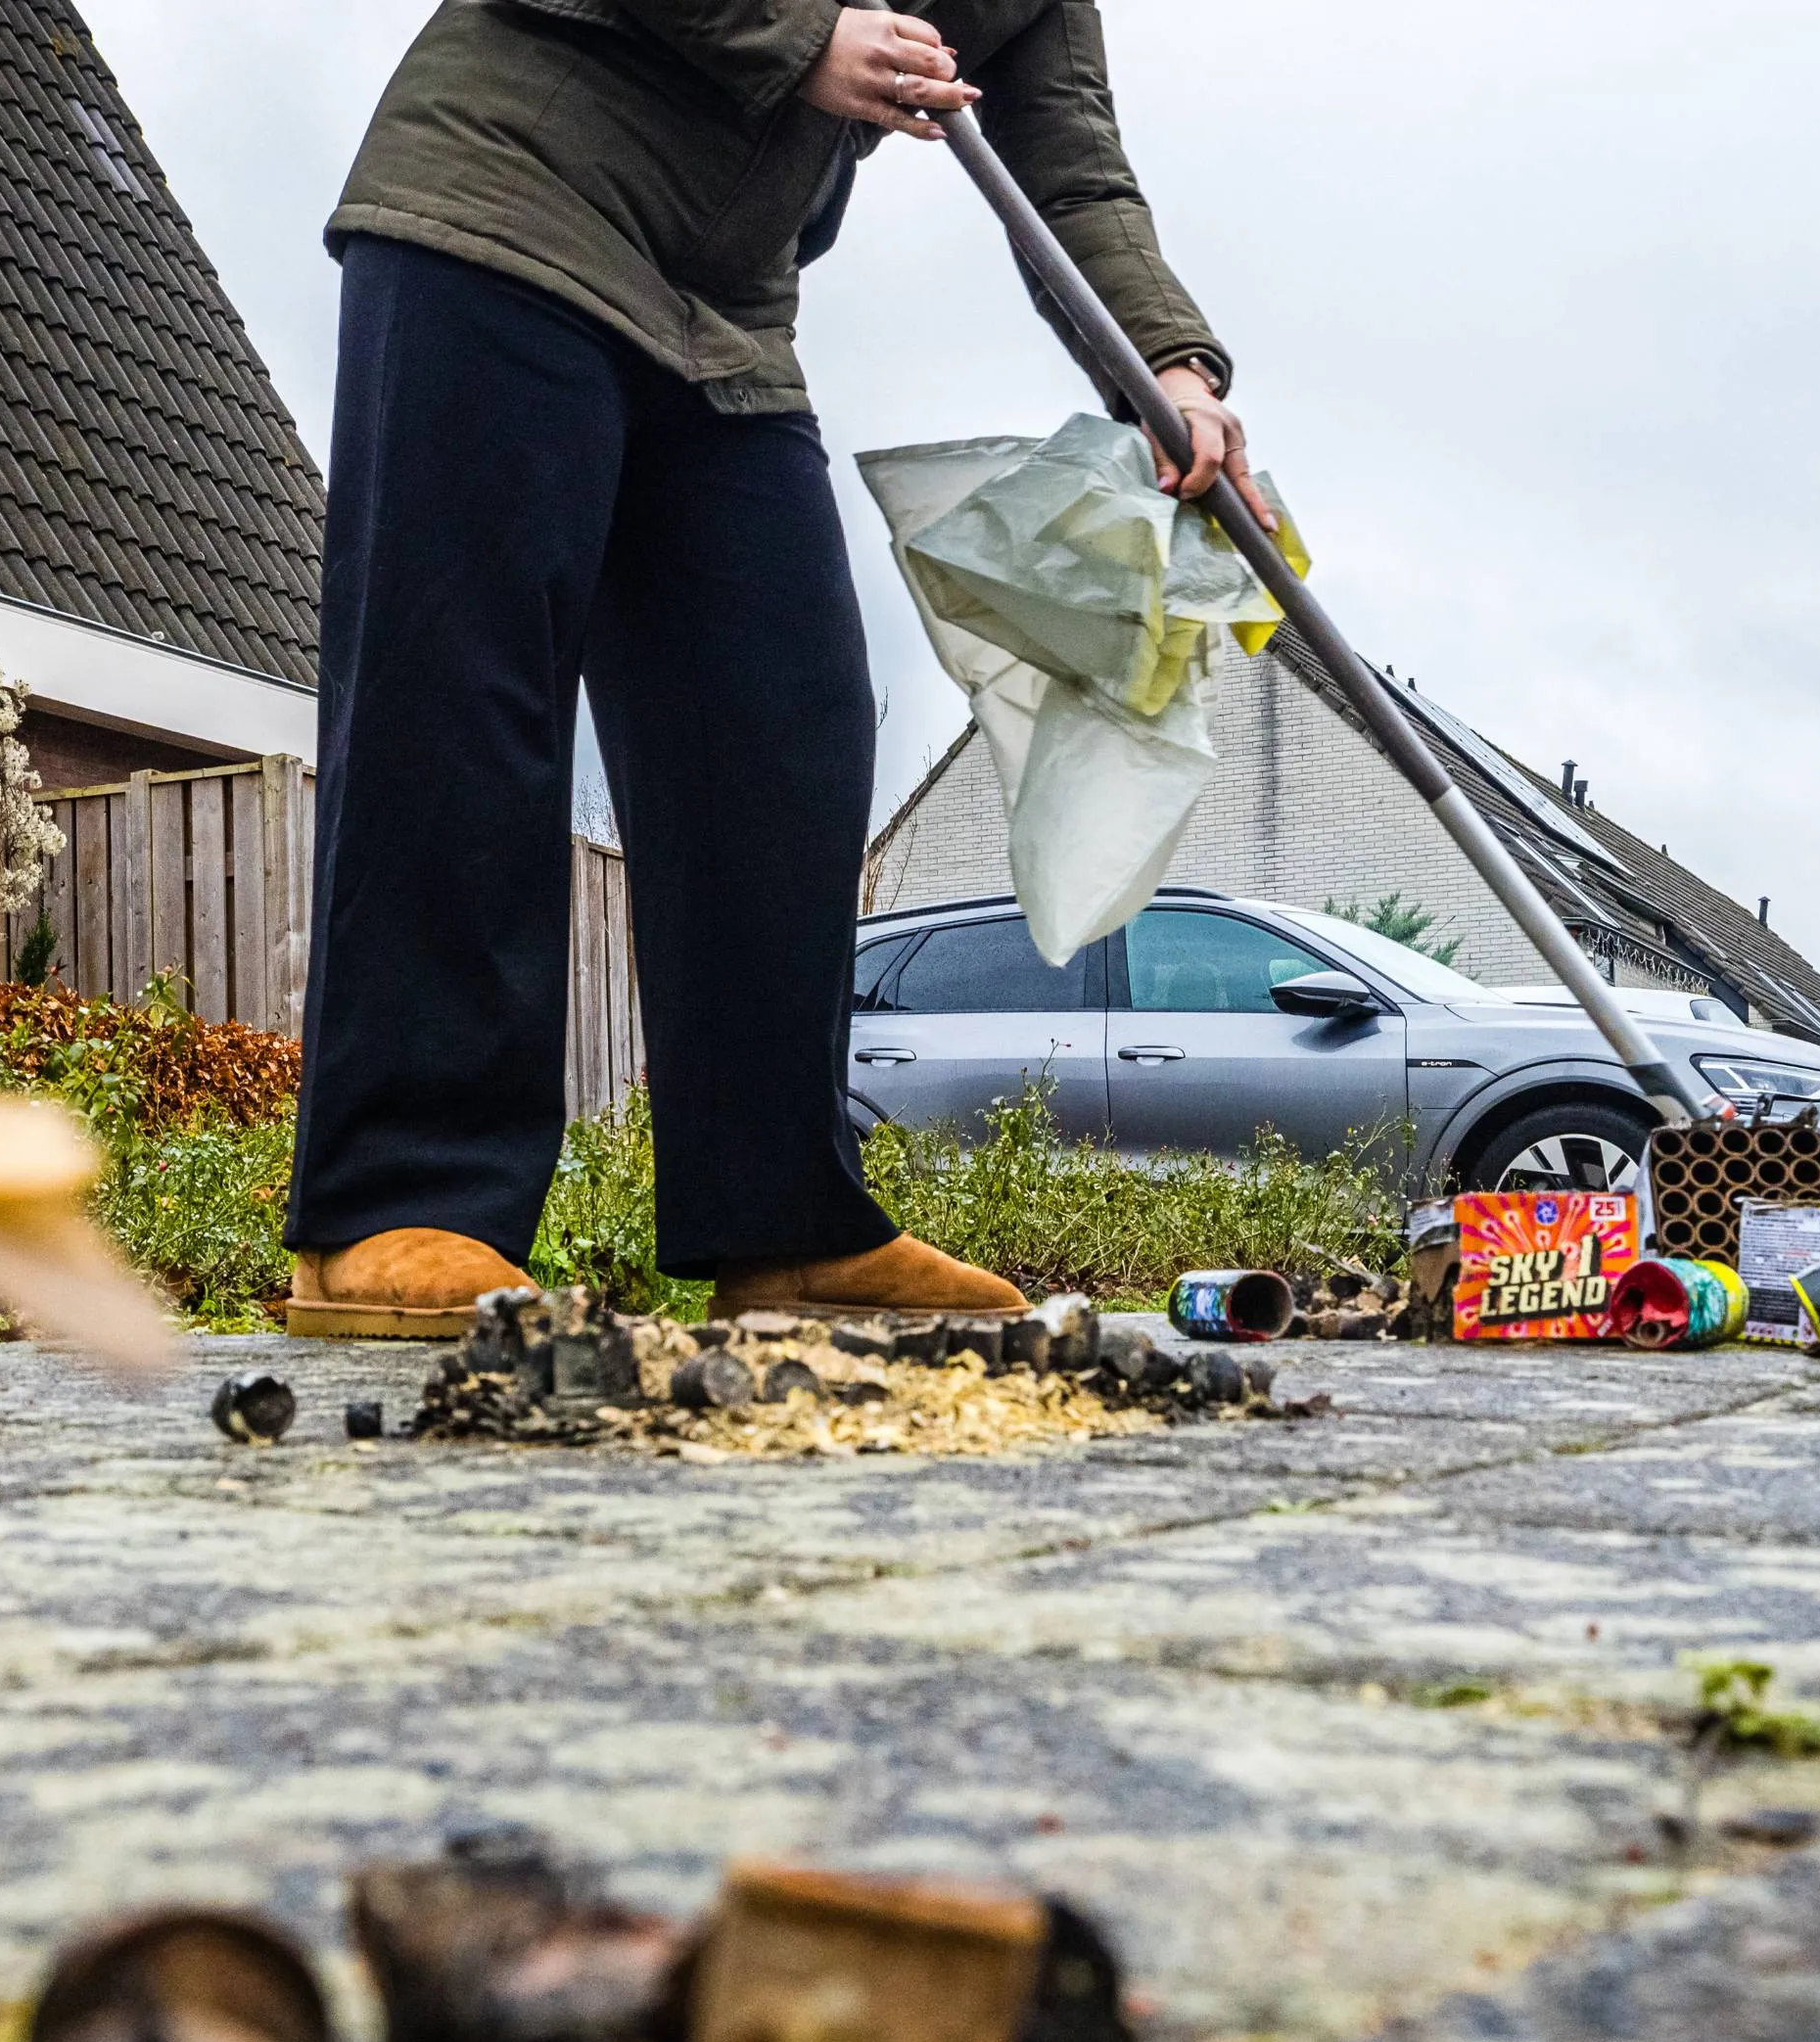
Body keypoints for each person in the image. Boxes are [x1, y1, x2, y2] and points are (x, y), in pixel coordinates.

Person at [284, 3, 1264, 1336]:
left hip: (729, 314)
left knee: (780, 735)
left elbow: (1072, 165)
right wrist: (800, 33)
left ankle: (783, 1222)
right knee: (465, 702)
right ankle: (398, 1202)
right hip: (510, 202)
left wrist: (1171, 370)